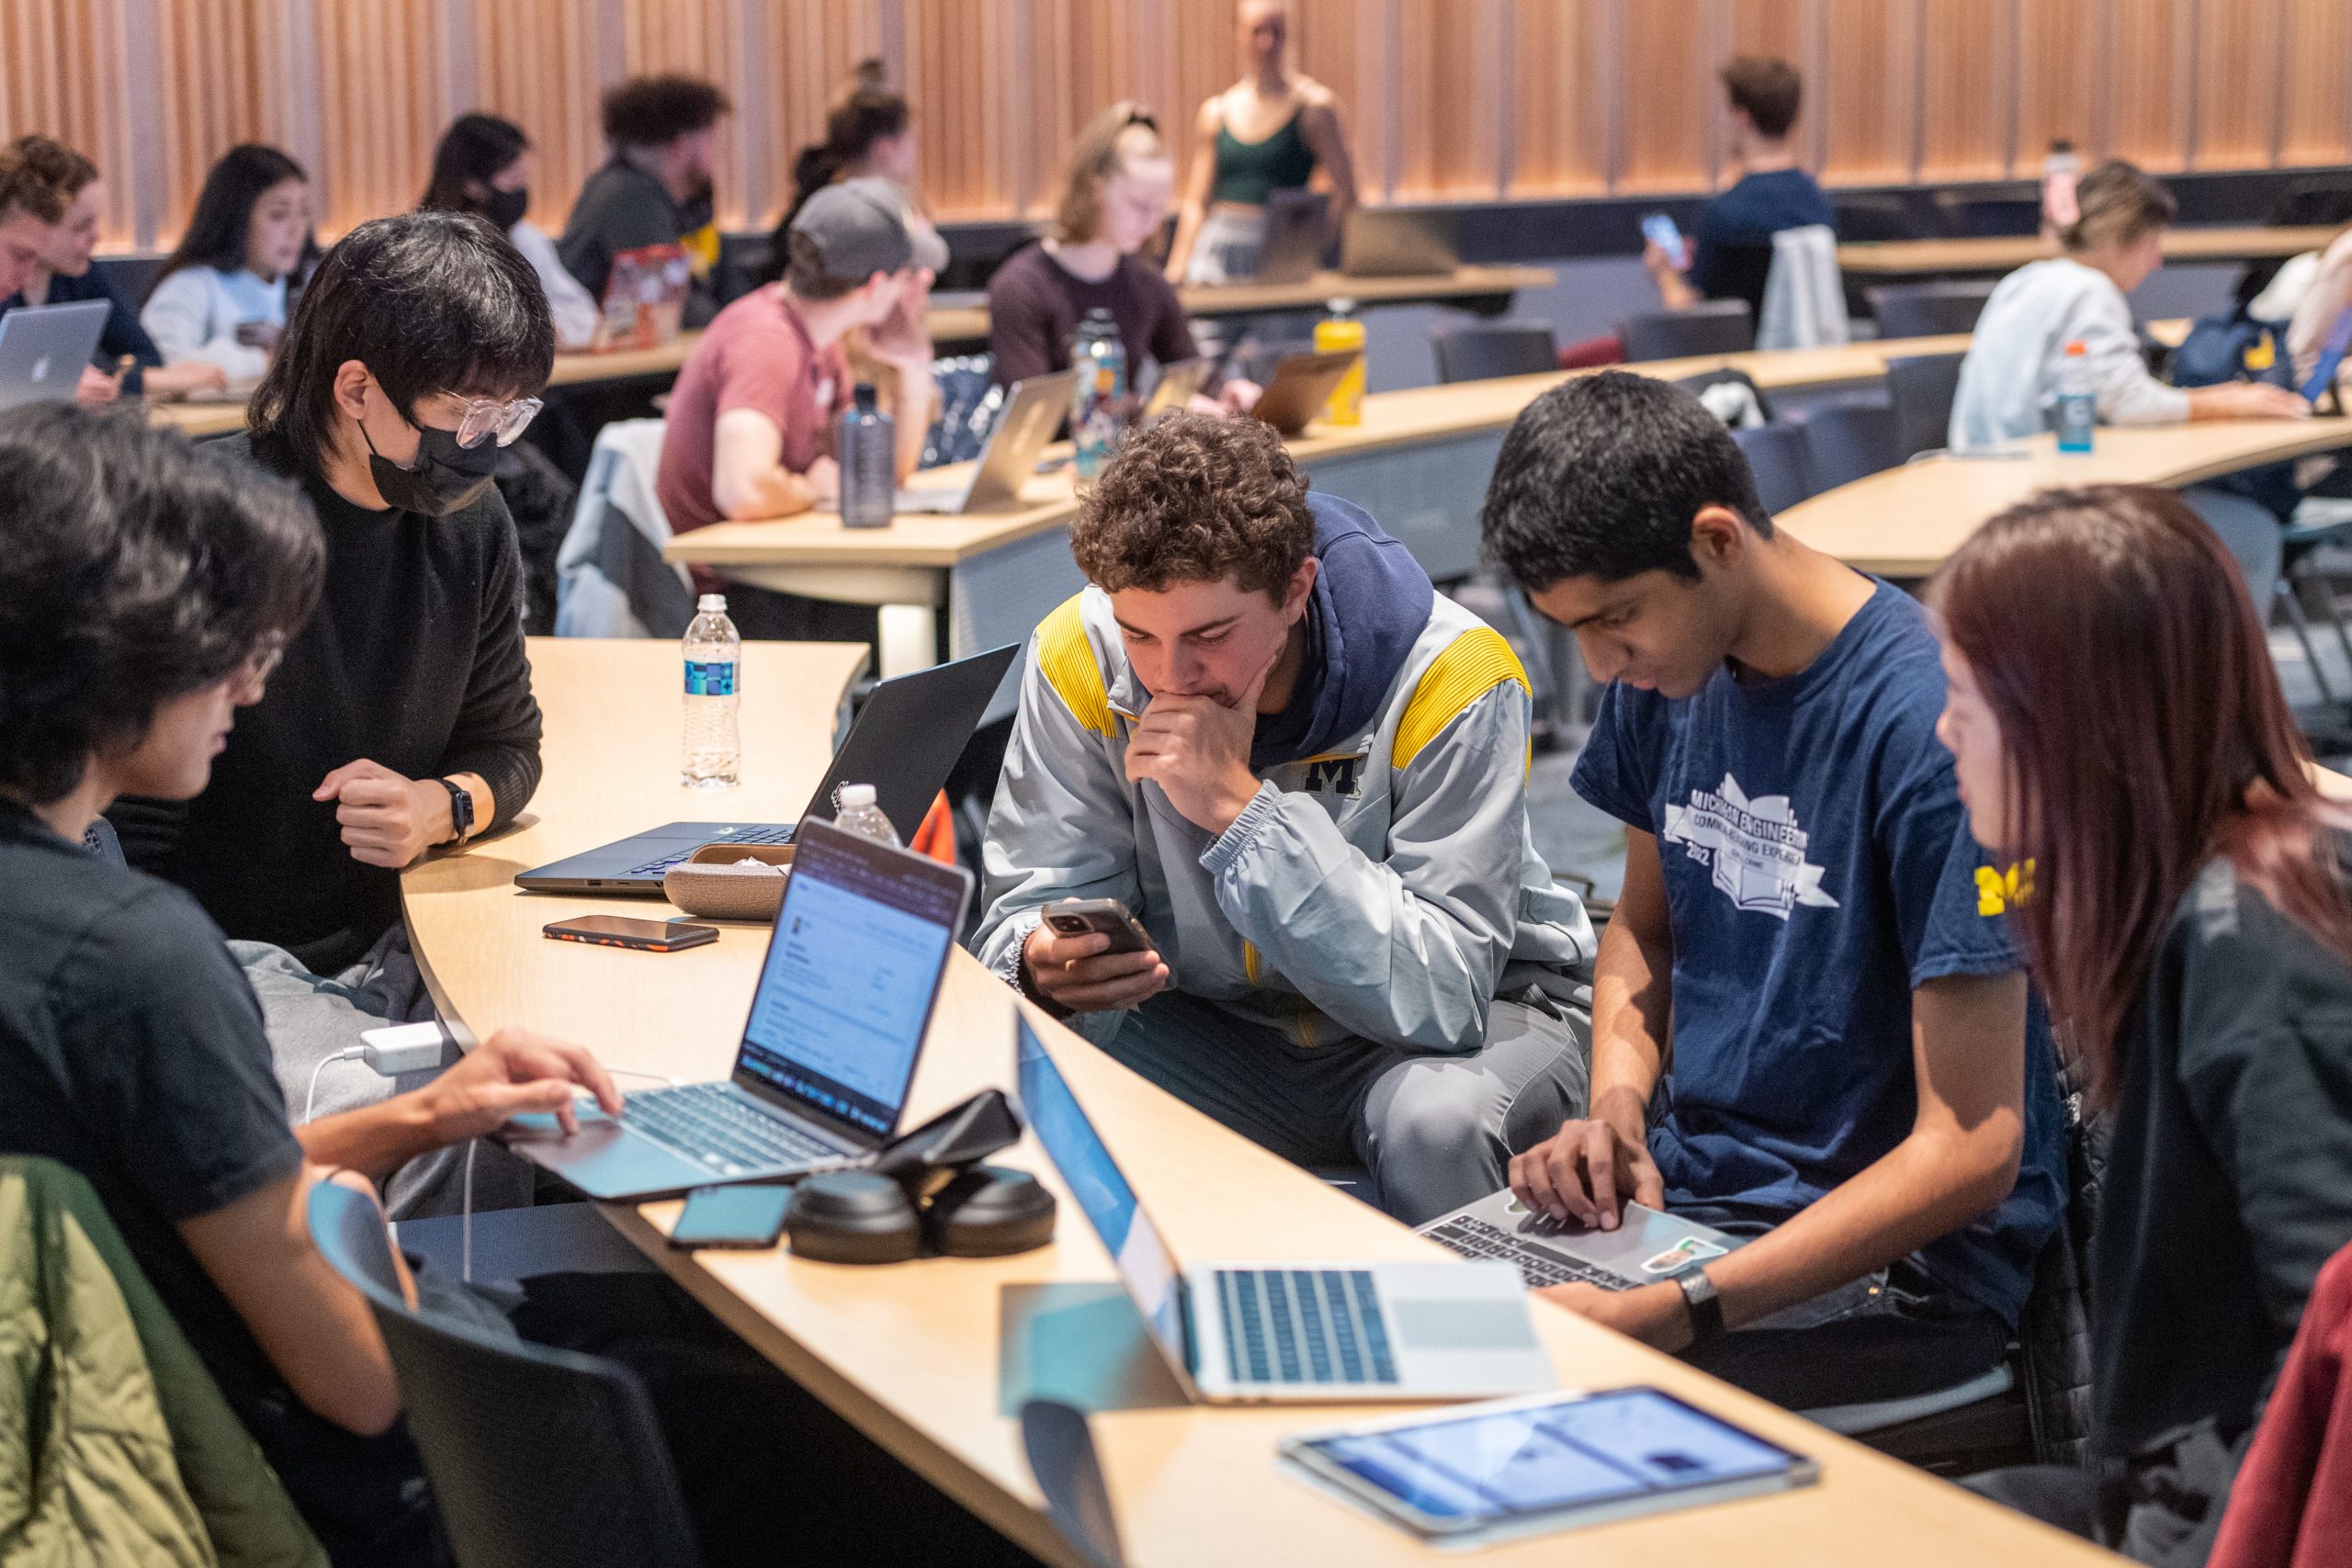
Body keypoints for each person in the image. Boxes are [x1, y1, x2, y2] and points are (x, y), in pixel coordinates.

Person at [0, 402, 1039, 1568]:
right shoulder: (137, 962)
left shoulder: (54, 928)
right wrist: (356, 1236)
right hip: (369, 1488)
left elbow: (175, 1182)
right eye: (227, 644)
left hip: (167, 1413)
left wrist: (424, 1118)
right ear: (112, 653)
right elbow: (357, 1387)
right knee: (868, 1436)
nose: (250, 685)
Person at [1479, 371, 2066, 1410]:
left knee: (1519, 1401)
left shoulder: (1938, 732)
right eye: (1568, 629)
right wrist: (1614, 1106)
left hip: (1895, 1276)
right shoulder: (1668, 675)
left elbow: (1974, 1148)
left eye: (1616, 619)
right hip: (1700, 1212)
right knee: (1418, 1339)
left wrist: (1684, 1307)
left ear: (1716, 540)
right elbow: (1642, 934)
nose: (1600, 664)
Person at [975, 412, 1594, 1225]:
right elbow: (1021, 913)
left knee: (1435, 1128)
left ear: (1296, 590)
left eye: (1210, 635)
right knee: (1010, 1081)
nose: (1170, 675)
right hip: (1215, 1030)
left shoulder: (1456, 673)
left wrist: (1240, 811)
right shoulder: (1076, 654)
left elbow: (1446, 995)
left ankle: (1484, 1350)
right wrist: (1043, 967)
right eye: (1139, 634)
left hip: (1453, 1033)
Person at [1930, 486, 2352, 1563]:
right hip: (2192, 1484)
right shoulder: (2222, 882)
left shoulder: (2246, 954)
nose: (1943, 734)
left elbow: (2334, 1348)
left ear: (2066, 724)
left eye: (1964, 700)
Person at [109, 210, 549, 1213]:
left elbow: (509, 743)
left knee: (565, 1101)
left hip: (414, 938)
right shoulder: (212, 522)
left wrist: (449, 805)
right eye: (467, 417)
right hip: (234, 957)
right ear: (356, 389)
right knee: (457, 1145)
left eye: (509, 419)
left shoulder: (467, 525)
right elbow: (130, 834)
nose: (483, 448)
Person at [655, 176, 942, 641]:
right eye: (907, 274)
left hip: (782, 570)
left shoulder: (818, 338)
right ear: (874, 285)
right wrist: (809, 488)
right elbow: (742, 491)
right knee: (904, 623)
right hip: (732, 600)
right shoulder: (765, 340)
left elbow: (879, 478)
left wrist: (912, 370)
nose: (919, 284)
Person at [1953, 160, 2311, 451]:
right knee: (2244, 524)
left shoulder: (2024, 279)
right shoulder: (2089, 290)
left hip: (1983, 473)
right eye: (2152, 242)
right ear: (2121, 234)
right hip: (2035, 490)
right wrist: (2227, 404)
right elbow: (2126, 405)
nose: (2156, 262)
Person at [988, 101, 1255, 414]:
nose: (1152, 223)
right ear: (1095, 190)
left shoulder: (1147, 281)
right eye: (1140, 205)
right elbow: (1032, 417)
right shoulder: (1020, 287)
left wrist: (1226, 391)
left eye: (1160, 208)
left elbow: (1190, 371)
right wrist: (1154, 408)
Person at [0, 135, 228, 403]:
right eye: (81, 225)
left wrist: (76, 384)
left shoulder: (77, 276)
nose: (96, 237)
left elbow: (144, 353)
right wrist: (57, 389)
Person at [1164, 0, 1358, 286]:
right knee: (1209, 330)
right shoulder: (1217, 112)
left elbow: (1347, 191)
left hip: (1281, 246)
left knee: (1286, 330)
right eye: (1257, 31)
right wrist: (1177, 266)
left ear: (1288, 35)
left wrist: (1311, 248)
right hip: (1221, 242)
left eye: (1276, 31)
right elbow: (1197, 199)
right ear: (1240, 35)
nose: (1266, 42)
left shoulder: (1313, 109)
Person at [1645, 56, 1832, 319]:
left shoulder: (1723, 212)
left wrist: (1664, 274)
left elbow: (1690, 315)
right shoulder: (1818, 202)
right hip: (1808, 354)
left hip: (1735, 353)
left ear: (1743, 119)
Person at [560, 73, 729, 329]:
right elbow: (669, 310)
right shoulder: (629, 200)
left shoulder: (681, 205)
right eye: (709, 140)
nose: (715, 154)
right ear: (681, 145)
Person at [421, 112, 599, 350]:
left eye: (523, 178)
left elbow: (581, 312)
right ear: (470, 184)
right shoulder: (427, 250)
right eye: (513, 180)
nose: (521, 189)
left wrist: (553, 330)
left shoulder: (524, 237)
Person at [141, 143, 314, 382]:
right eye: (278, 214)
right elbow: (161, 369)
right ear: (237, 217)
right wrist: (266, 361)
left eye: (304, 212)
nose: (296, 230)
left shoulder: (312, 284)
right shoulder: (190, 285)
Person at [777, 57, 917, 240]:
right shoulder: (880, 221)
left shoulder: (812, 210)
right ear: (885, 150)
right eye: (911, 140)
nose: (914, 152)